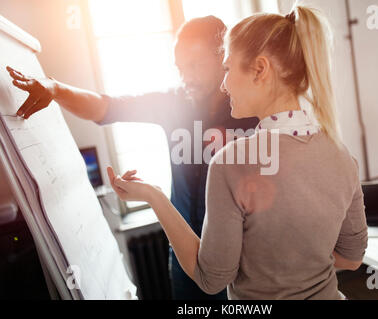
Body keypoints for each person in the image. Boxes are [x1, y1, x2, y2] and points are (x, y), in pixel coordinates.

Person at [106, 5, 368, 300]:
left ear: (260, 69)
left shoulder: (230, 163)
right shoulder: (342, 157)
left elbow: (210, 279)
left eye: (228, 69)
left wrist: (154, 196)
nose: (224, 83)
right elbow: (352, 258)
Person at [6, 16, 258, 300]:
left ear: (222, 57)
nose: (186, 76)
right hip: (186, 259)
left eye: (194, 65)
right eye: (180, 68)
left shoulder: (253, 112)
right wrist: (55, 89)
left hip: (241, 262)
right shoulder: (173, 102)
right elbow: (107, 108)